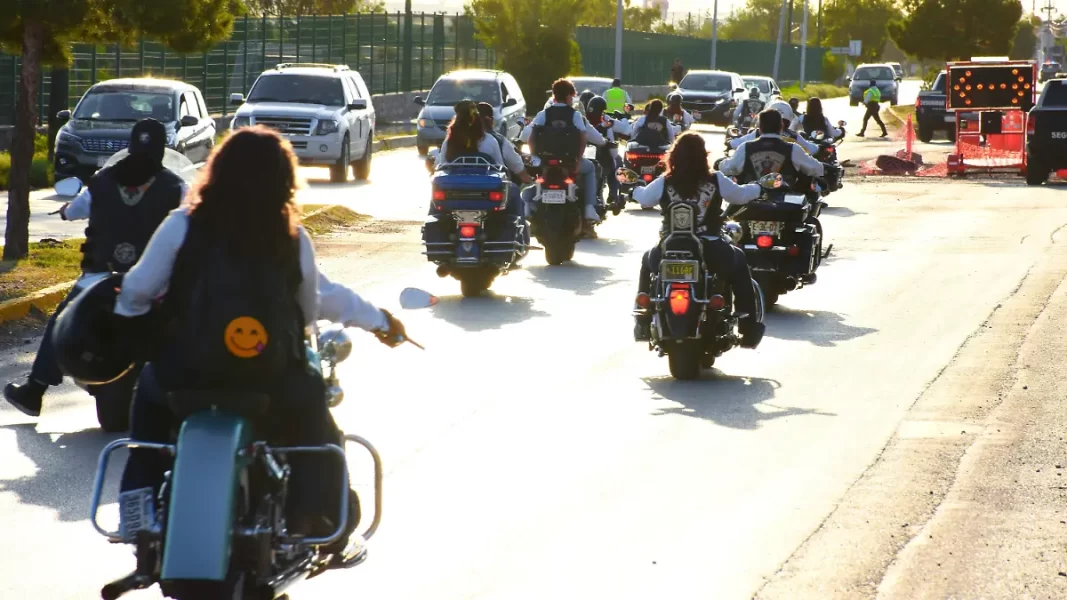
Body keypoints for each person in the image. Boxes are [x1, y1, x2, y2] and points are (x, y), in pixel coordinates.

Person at [112, 126, 408, 560]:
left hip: (184, 378)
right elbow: (312, 307)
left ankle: (136, 515)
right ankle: (315, 518)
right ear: (283, 181)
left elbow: (136, 292)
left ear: (217, 173)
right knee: (318, 429)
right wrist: (378, 319)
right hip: (270, 382)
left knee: (146, 423)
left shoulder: (181, 227)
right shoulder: (291, 239)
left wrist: (140, 323)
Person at [4, 119, 185, 419]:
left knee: (61, 321)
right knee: (183, 322)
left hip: (98, 279)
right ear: (161, 150)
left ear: (129, 146)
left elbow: (74, 210)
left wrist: (64, 211)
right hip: (153, 282)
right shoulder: (176, 186)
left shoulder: (101, 181)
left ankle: (35, 389)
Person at [632, 132, 765, 348]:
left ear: (674, 156)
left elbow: (645, 198)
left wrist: (635, 189)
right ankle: (748, 325)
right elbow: (740, 195)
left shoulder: (665, 181)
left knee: (648, 261)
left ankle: (643, 320)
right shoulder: (716, 179)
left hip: (670, 248)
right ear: (704, 156)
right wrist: (758, 187)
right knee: (739, 260)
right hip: (711, 246)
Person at [523, 78, 601, 225]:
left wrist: (535, 158)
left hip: (545, 162)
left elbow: (531, 137)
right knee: (591, 168)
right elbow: (583, 138)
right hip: (569, 163)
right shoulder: (575, 115)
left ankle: (527, 204)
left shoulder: (543, 114)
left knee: (535, 183)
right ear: (568, 96)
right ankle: (589, 207)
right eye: (572, 96)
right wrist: (577, 161)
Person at [719, 109, 826, 186]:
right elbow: (817, 168)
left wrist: (721, 163)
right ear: (781, 126)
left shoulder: (745, 147)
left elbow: (728, 167)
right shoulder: (793, 148)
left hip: (752, 203)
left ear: (759, 127)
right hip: (785, 204)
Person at [727, 100, 819, 155]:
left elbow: (736, 143)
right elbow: (812, 149)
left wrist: (729, 142)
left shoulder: (755, 135)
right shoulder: (794, 138)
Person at [585, 95, 621, 208]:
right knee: (615, 163)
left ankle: (613, 194)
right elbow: (608, 140)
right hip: (598, 157)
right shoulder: (603, 123)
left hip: (585, 156)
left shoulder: (581, 120)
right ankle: (613, 194)